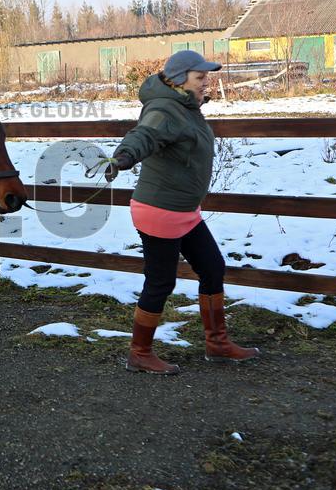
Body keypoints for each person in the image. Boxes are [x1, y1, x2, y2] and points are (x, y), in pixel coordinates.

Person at [106, 50, 259, 375]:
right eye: (200, 78)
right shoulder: (165, 109)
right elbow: (144, 135)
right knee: (161, 282)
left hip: (183, 210)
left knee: (212, 267)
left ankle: (217, 343)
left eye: (206, 77)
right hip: (159, 210)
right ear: (179, 80)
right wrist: (122, 158)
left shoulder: (185, 107)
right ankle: (140, 353)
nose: (206, 83)